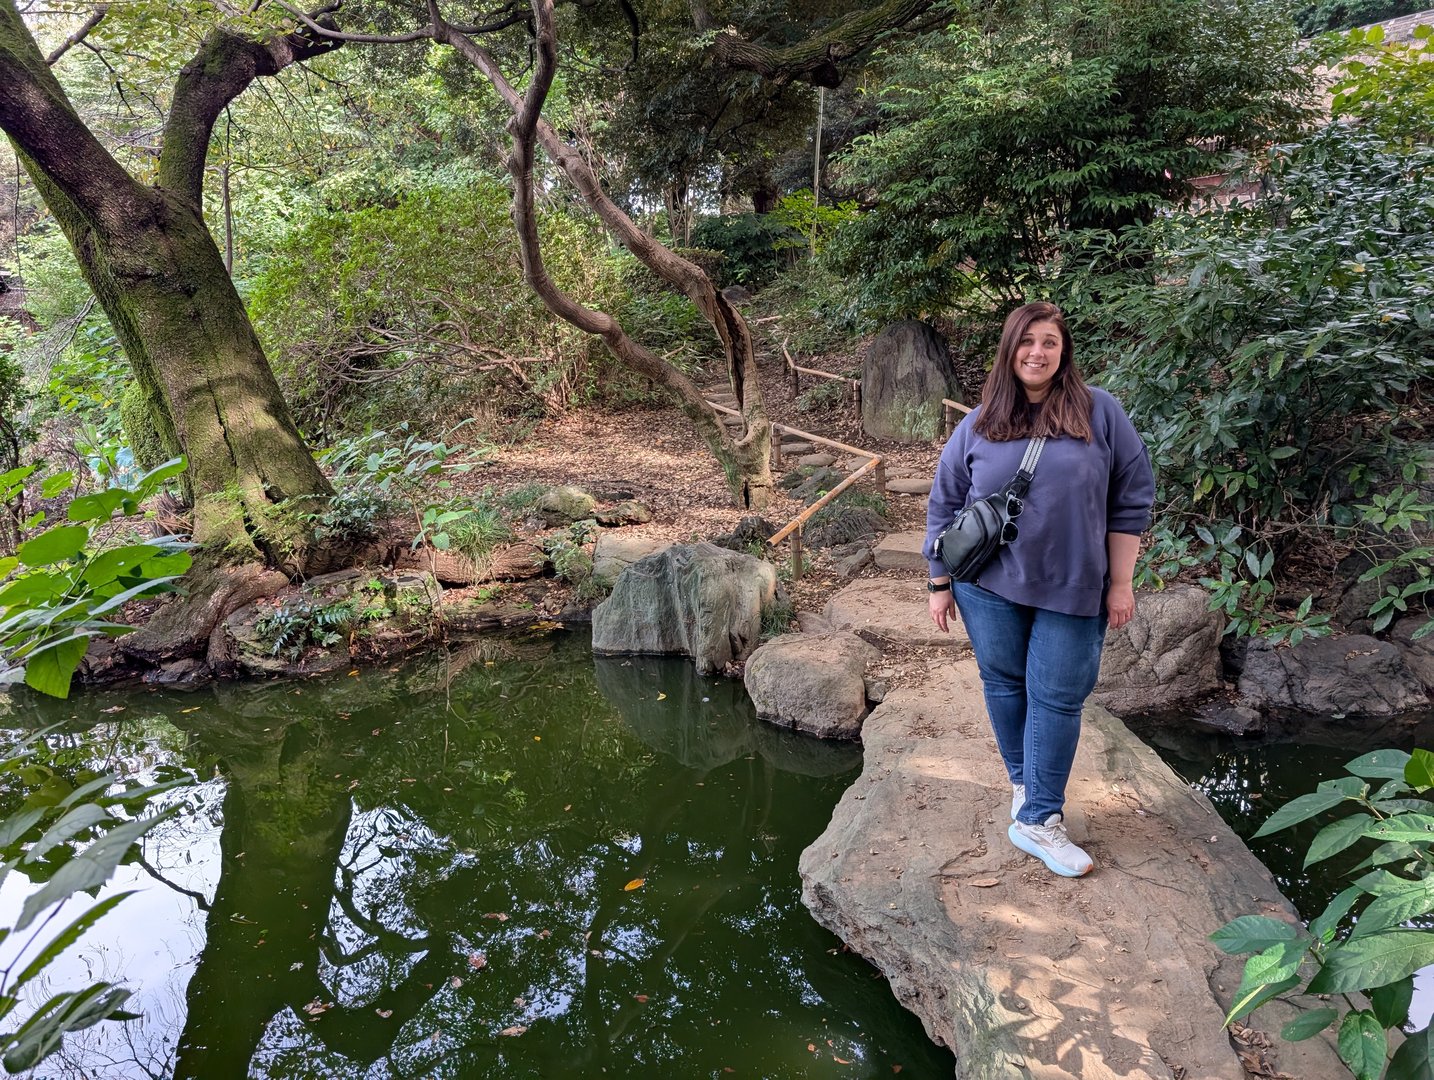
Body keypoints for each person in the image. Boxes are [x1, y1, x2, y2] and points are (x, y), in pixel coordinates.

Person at [924, 301, 1154, 878]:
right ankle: (1028, 788)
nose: (1037, 352)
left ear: (1063, 351)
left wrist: (1120, 582)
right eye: (1027, 341)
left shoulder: (1100, 412)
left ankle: (1038, 818)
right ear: (1009, 350)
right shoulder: (978, 422)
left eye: (1049, 341)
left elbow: (1132, 496)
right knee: (1003, 683)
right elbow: (945, 502)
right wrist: (938, 583)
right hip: (988, 586)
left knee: (1057, 698)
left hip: (1075, 587)